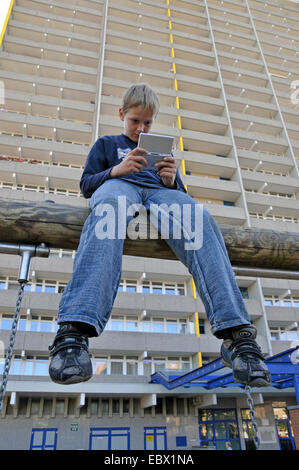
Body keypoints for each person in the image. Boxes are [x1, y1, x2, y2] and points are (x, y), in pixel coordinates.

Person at [48, 83, 271, 388]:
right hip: (119, 185)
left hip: (158, 191)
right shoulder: (106, 144)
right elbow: (87, 184)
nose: (141, 128)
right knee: (108, 211)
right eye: (135, 121)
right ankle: (73, 331)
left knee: (199, 217)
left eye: (147, 123)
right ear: (122, 115)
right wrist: (117, 170)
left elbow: (181, 195)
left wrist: (170, 179)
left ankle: (237, 337)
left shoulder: (160, 150)